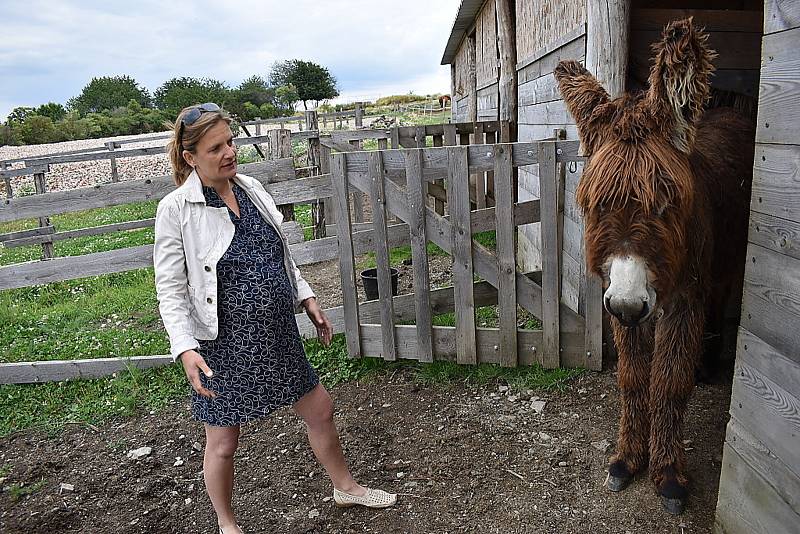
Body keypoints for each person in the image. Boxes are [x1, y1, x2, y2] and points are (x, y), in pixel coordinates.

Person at [154, 103, 396, 534]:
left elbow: (279, 254)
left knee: (320, 407)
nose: (229, 153)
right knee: (224, 441)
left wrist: (306, 297)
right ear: (190, 157)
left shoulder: (250, 186)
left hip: (277, 333)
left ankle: (346, 487)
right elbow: (170, 288)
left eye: (230, 142)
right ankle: (227, 525)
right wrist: (185, 348)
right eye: (216, 148)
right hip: (221, 343)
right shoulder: (176, 209)